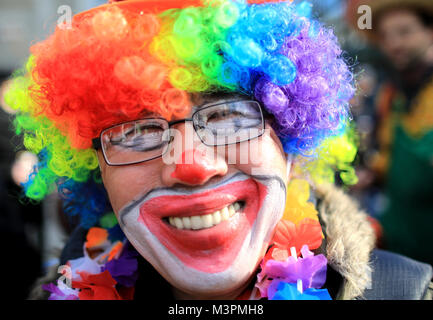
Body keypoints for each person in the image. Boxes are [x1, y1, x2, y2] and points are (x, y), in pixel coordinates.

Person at [5, 0, 432, 300]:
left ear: (289, 139)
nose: (193, 166)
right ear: (96, 167)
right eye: (137, 130)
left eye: (229, 117)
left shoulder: (406, 293)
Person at [347, 0, 433, 266]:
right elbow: (389, 160)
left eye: (405, 32)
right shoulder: (390, 97)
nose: (394, 44)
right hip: (401, 254)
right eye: (386, 36)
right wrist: (370, 177)